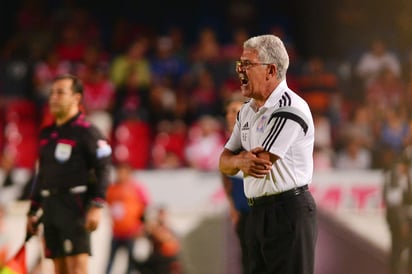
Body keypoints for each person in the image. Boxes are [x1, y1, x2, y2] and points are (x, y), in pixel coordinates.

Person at [219, 34, 317, 274]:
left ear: (271, 70)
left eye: (247, 64)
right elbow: (223, 162)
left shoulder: (290, 106)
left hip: (288, 212)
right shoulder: (247, 111)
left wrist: (237, 161)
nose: (240, 70)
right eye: (239, 64)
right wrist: (240, 160)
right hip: (258, 212)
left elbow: (260, 164)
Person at [26, 74, 112, 274]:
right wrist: (33, 210)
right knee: (59, 269)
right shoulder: (46, 134)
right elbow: (42, 174)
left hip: (76, 205)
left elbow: (104, 168)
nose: (54, 97)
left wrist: (97, 204)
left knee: (77, 268)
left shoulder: (88, 132)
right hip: (50, 206)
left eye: (60, 92)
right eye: (52, 93)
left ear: (76, 98)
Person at [220, 93, 250, 274]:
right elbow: (225, 176)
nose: (229, 116)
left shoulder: (255, 141)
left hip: (262, 212)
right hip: (244, 214)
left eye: (234, 111)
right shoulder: (230, 145)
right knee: (247, 260)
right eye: (227, 112)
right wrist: (232, 204)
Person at [105, 162, 150, 274]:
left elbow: (144, 207)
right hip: (116, 232)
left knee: (131, 262)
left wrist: (142, 226)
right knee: (110, 261)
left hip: (131, 232)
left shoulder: (137, 188)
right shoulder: (112, 188)